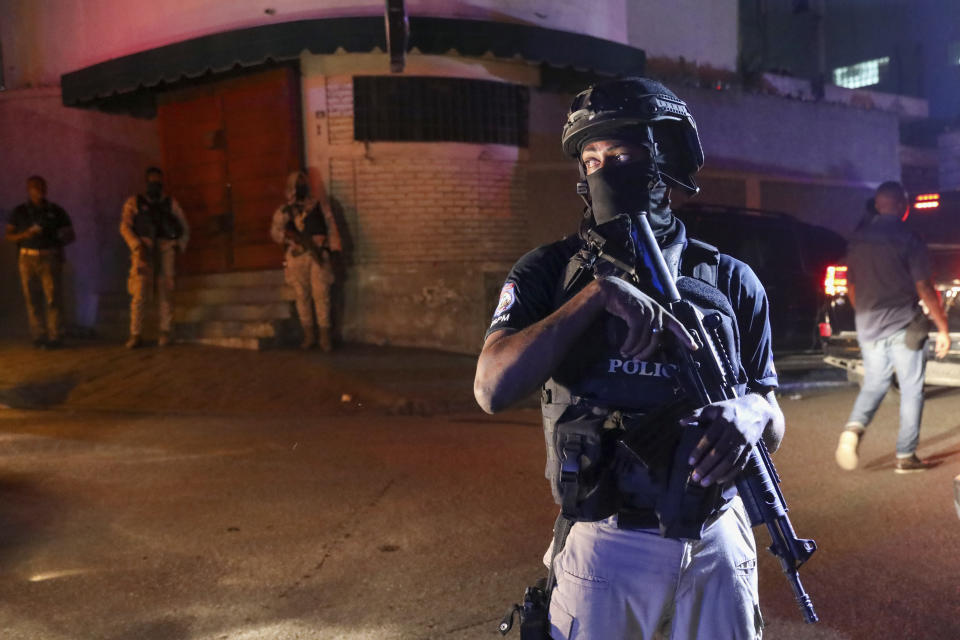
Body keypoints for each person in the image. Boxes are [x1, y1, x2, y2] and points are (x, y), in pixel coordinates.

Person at [474, 78, 784, 639]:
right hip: (607, 540)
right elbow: (492, 387)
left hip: (717, 535)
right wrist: (598, 293)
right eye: (591, 159)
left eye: (621, 155)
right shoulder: (550, 272)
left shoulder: (730, 280)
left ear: (664, 163)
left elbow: (768, 404)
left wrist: (753, 415)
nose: (602, 172)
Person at [834, 181, 950, 473]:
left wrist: (863, 312)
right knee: (911, 390)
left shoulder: (858, 238)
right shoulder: (908, 237)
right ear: (902, 205)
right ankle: (905, 456)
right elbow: (924, 287)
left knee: (875, 383)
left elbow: (851, 285)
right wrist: (942, 327)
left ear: (877, 204)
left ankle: (853, 430)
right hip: (902, 324)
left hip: (868, 324)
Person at [270, 170, 341, 351]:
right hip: (297, 257)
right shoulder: (285, 211)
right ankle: (309, 335)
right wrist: (290, 238)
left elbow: (331, 227)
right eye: (297, 183)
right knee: (302, 296)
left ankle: (325, 336)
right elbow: (276, 233)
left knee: (321, 295)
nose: (300, 187)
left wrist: (334, 250)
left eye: (303, 182)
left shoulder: (319, 205)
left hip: (318, 255)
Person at [119, 167, 190, 349]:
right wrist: (136, 245)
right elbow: (125, 227)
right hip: (144, 250)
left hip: (165, 249)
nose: (155, 183)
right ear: (146, 182)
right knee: (139, 292)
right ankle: (136, 333)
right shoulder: (135, 202)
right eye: (151, 180)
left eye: (158, 180)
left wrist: (177, 246)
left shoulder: (170, 203)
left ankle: (165, 330)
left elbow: (183, 227)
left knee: (166, 291)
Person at [5, 175, 75, 348]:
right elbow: (9, 235)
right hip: (27, 257)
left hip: (49, 256)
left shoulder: (56, 211)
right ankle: (39, 335)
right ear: (29, 189)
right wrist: (25, 235)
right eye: (35, 187)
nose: (40, 190)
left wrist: (57, 239)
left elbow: (71, 235)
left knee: (53, 298)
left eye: (42, 186)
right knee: (32, 298)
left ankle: (56, 335)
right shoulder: (20, 211)